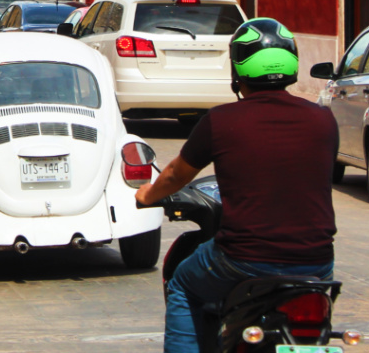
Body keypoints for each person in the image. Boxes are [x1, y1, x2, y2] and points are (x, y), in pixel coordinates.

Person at [135, 18, 339, 353]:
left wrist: (145, 194)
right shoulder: (323, 120)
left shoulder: (220, 121)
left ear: (238, 69)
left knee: (183, 285)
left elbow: (174, 175)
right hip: (316, 260)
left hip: (244, 258)